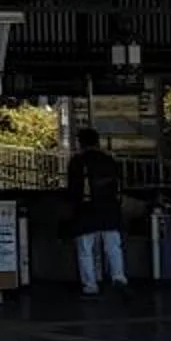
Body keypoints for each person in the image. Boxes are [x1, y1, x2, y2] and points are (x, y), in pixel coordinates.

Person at [66, 126, 129, 297]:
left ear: (81, 143)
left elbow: (73, 189)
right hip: (109, 209)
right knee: (113, 246)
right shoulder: (109, 160)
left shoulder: (77, 161)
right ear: (97, 142)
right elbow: (119, 185)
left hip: (85, 210)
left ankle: (90, 285)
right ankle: (118, 277)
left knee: (85, 250)